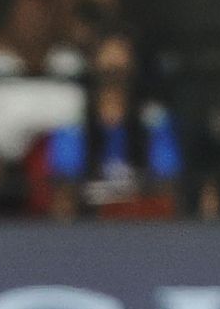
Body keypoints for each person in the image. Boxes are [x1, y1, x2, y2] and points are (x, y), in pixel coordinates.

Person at [45, 32, 181, 220]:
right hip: (87, 229)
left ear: (133, 68)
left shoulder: (153, 120)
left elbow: (167, 188)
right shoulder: (73, 124)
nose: (114, 78)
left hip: (142, 226)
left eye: (120, 70)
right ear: (93, 66)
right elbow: (64, 196)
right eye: (108, 71)